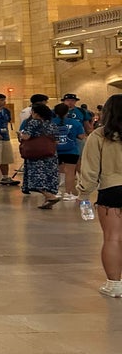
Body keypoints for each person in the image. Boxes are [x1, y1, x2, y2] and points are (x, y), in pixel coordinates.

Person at [77, 94, 122, 297]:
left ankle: (114, 284)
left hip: (112, 190)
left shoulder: (100, 135)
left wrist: (84, 193)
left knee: (113, 238)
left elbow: (90, 169)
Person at [19, 102, 61, 208]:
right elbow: (56, 141)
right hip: (51, 154)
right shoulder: (52, 124)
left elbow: (26, 137)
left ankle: (50, 196)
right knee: (49, 176)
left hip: (36, 155)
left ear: (36, 113)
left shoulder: (34, 122)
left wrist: (20, 135)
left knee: (37, 177)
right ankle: (48, 202)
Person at [52, 102, 86, 201]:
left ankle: (56, 191)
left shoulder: (50, 122)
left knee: (55, 172)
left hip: (55, 150)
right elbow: (81, 136)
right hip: (71, 150)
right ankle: (68, 193)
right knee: (70, 173)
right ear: (68, 112)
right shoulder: (75, 122)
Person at [0, 93, 19, 186]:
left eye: (4, 100)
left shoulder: (6, 111)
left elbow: (8, 120)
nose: (4, 102)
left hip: (5, 137)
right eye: (2, 100)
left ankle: (5, 177)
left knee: (5, 158)